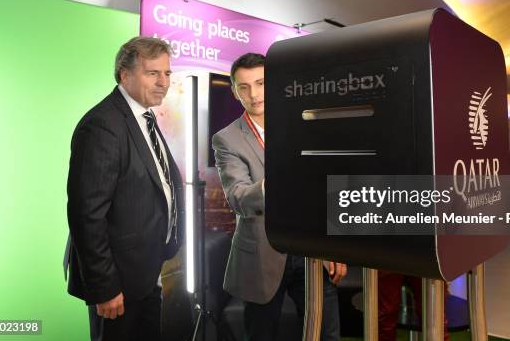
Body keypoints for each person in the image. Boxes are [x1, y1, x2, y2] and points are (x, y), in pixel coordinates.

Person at [212, 52, 346, 340]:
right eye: (244, 87)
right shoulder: (227, 138)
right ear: (235, 92)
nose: (254, 94)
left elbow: (326, 184)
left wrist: (334, 246)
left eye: (260, 83)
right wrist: (279, 180)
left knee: (326, 334)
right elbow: (238, 197)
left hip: (312, 251)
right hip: (262, 255)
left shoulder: (306, 122)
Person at [65, 36, 183, 341]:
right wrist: (105, 288)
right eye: (152, 73)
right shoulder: (103, 125)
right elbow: (86, 214)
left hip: (146, 272)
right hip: (117, 284)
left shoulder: (144, 117)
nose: (163, 83)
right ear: (125, 74)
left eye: (167, 73)